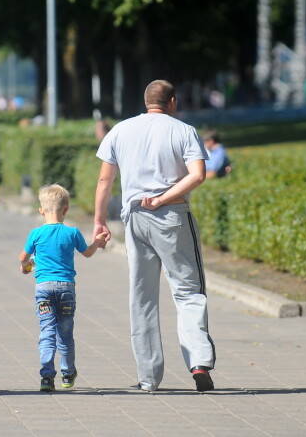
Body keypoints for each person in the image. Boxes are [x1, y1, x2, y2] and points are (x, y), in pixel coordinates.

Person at [93, 79, 216, 393]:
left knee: (142, 296)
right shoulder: (183, 131)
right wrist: (162, 199)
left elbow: (105, 181)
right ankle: (198, 362)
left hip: (134, 217)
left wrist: (99, 221)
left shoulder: (119, 130)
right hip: (172, 216)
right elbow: (198, 175)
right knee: (188, 290)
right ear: (172, 101)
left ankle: (148, 377)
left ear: (146, 101)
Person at [19, 184, 107, 392]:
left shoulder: (36, 234)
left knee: (47, 331)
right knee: (65, 332)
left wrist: (28, 266)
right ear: (66, 209)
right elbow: (87, 253)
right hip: (66, 288)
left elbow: (23, 259)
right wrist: (98, 241)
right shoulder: (72, 232)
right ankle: (67, 374)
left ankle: (47, 377)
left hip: (43, 289)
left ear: (41, 211)